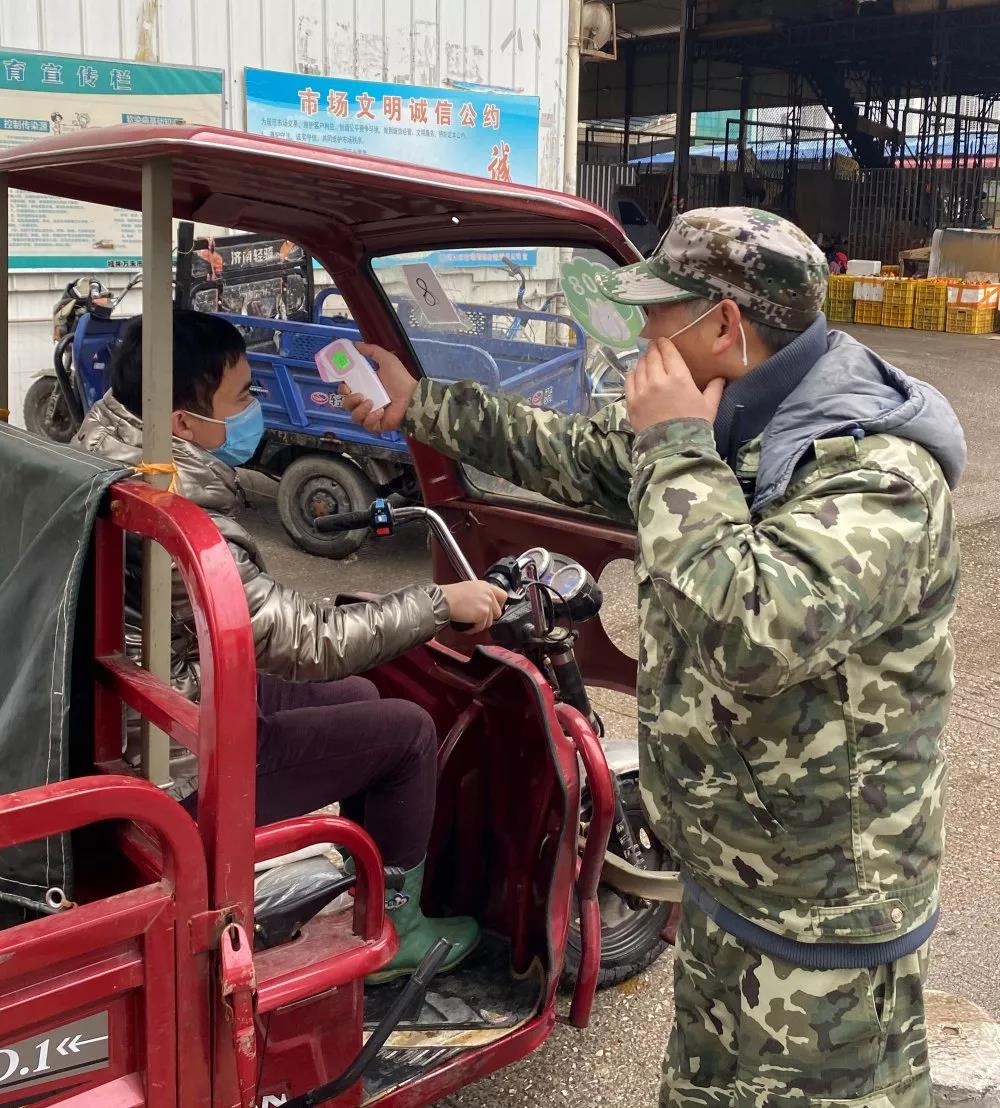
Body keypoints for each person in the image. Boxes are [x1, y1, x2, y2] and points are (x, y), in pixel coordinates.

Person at [344, 207, 966, 1104]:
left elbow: (751, 635)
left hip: (821, 906)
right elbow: (580, 456)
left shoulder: (876, 474)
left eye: (657, 314)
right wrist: (424, 404)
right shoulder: (733, 418)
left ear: (724, 324)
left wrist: (675, 444)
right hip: (731, 867)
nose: (642, 336)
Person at [76, 309, 507, 983]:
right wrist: (439, 603)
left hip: (166, 693)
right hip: (173, 765)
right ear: (183, 422)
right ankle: (395, 926)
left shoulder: (111, 443)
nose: (255, 407)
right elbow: (307, 642)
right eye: (242, 396)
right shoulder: (172, 516)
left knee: (359, 691)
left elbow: (261, 620)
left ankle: (362, 880)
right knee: (407, 732)